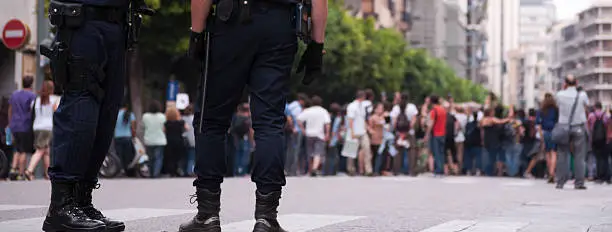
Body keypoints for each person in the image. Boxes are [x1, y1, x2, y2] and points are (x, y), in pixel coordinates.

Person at [182, 0, 328, 230]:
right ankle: (266, 217)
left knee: (211, 121)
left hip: (230, 24)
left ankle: (208, 214)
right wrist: (317, 45)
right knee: (270, 123)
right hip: (279, 26)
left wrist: (196, 34)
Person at [40, 0, 149, 229]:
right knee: (82, 106)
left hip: (117, 23)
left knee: (107, 113)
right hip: (82, 21)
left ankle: (81, 201)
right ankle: (61, 206)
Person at [555, 75, 589, 190]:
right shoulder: (582, 94)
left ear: (565, 83)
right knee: (580, 155)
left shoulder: (559, 94)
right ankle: (579, 182)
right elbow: (586, 105)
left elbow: (558, 106)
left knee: (562, 154)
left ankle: (560, 182)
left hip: (564, 126)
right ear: (577, 82)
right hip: (579, 126)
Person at [25, 80, 60, 180]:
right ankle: (29, 170)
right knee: (40, 150)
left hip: (36, 127)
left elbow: (31, 110)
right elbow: (57, 112)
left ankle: (47, 174)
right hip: (47, 127)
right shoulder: (54, 99)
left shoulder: (36, 100)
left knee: (46, 151)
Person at [7, 76, 36, 181]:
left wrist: (10, 123)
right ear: (31, 84)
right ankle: (20, 173)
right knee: (23, 150)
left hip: (14, 125)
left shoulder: (14, 94)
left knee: (17, 149)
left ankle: (13, 169)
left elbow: (10, 109)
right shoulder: (32, 96)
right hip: (25, 125)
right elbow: (32, 110)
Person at [297, 96, 331, 176]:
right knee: (318, 153)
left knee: (310, 152)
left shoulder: (308, 111)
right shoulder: (323, 111)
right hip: (319, 134)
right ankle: (315, 169)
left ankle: (311, 169)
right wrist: (327, 133)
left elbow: (299, 119)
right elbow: (327, 123)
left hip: (309, 134)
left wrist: (303, 130)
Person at [346, 90, 373, 176]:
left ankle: (368, 170)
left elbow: (362, 119)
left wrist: (367, 128)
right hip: (353, 131)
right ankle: (350, 169)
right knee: (351, 151)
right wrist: (352, 132)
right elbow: (350, 119)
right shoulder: (352, 106)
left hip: (362, 131)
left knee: (367, 149)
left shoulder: (362, 106)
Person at [536, 93, 559, 183]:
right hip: (554, 132)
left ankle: (550, 173)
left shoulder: (541, 110)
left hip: (545, 133)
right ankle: (552, 173)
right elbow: (558, 122)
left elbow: (538, 125)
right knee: (554, 153)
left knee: (547, 154)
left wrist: (541, 137)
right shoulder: (556, 110)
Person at [142, 101, 167, 178]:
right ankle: (156, 173)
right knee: (158, 158)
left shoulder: (145, 116)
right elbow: (164, 128)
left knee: (150, 158)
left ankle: (151, 172)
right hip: (160, 140)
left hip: (149, 140)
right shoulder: (162, 116)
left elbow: (143, 127)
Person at [587, 102, 610, 184]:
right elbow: (608, 126)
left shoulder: (591, 115)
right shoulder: (605, 116)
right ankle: (607, 176)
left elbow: (588, 128)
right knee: (605, 158)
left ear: (594, 107)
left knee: (598, 158)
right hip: (604, 139)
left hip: (594, 140)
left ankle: (599, 176)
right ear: (601, 107)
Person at [425, 95, 447, 176]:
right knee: (441, 152)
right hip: (443, 133)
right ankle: (441, 168)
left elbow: (431, 124)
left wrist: (427, 134)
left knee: (436, 152)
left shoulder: (434, 111)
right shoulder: (443, 110)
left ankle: (438, 169)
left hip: (435, 134)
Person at [113, 103, 137, 177]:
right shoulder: (130, 114)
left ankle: (120, 171)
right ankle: (128, 172)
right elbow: (133, 128)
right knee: (128, 156)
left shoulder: (115, 114)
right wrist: (134, 136)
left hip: (117, 137)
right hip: (127, 138)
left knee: (119, 156)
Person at [164, 107, 188, 177]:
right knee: (178, 157)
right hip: (179, 141)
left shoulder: (166, 123)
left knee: (170, 157)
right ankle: (178, 170)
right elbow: (187, 128)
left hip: (169, 141)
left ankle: (171, 172)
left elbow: (164, 131)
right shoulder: (181, 122)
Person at [182, 105, 197, 176]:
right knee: (191, 157)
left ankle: (184, 170)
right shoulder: (194, 118)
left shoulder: (182, 118)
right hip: (192, 139)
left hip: (183, 139)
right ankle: (189, 171)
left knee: (184, 156)